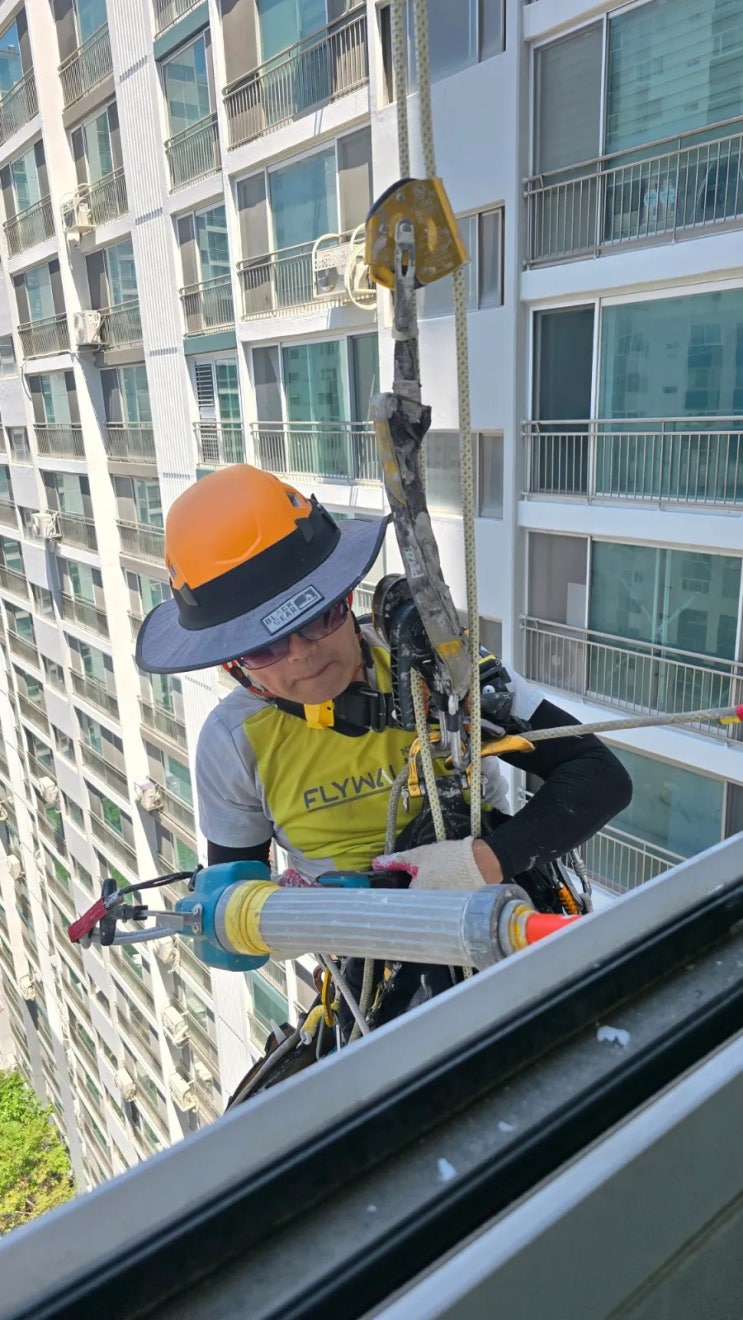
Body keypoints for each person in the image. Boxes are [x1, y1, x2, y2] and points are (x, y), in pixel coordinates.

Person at [136, 464, 632, 907]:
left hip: (504, 909)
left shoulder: (438, 665)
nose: (302, 653)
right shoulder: (235, 744)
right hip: (369, 956)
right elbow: (231, 910)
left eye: (318, 616)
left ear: (347, 596)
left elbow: (598, 774)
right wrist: (262, 919)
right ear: (234, 666)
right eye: (264, 648)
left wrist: (480, 863)